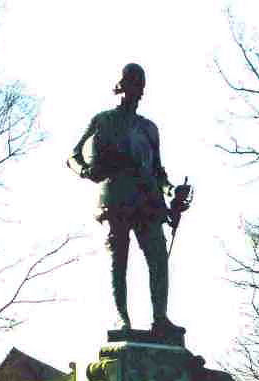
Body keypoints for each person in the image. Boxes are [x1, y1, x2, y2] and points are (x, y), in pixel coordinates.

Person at [67, 63, 192, 335]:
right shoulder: (103, 120)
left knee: (158, 258)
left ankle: (160, 318)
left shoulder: (149, 128)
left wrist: (173, 192)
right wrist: (86, 171)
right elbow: (72, 156)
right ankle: (121, 318)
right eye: (133, 84)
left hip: (148, 200)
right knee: (119, 260)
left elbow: (158, 171)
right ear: (122, 86)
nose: (137, 90)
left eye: (141, 85)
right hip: (117, 198)